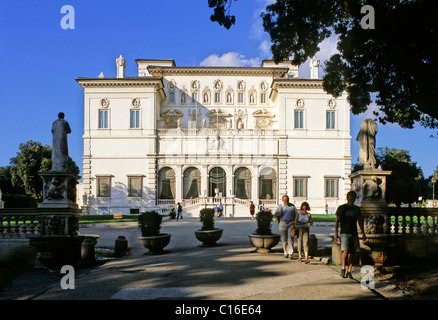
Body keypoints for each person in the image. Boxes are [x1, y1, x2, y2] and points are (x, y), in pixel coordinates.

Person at [334, 191, 366, 279]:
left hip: (354, 233)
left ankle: (349, 271)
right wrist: (336, 234)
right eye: (350, 199)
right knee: (345, 251)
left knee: (352, 253)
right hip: (344, 233)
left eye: (353, 199)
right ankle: (343, 268)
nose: (352, 201)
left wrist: (363, 233)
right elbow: (337, 222)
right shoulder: (342, 208)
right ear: (347, 198)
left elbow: (360, 222)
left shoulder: (356, 209)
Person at [274, 195, 298, 259]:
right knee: (284, 239)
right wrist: (280, 214)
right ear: (282, 200)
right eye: (284, 201)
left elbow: (297, 214)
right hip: (282, 223)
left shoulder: (292, 206)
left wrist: (295, 221)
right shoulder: (280, 206)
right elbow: (275, 214)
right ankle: (285, 251)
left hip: (291, 223)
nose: (286, 202)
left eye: (287, 200)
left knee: (290, 238)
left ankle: (290, 252)